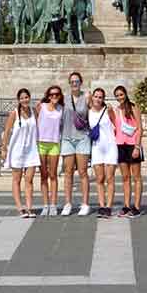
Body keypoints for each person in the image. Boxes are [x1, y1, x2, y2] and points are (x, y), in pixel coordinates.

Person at [0, 88, 39, 218]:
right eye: (22, 98)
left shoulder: (34, 111)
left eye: (26, 97)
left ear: (29, 98)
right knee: (17, 179)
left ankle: (29, 207)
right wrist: (4, 148)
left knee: (29, 179)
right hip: (17, 150)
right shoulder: (14, 114)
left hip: (31, 149)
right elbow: (6, 131)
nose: (24, 100)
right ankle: (20, 207)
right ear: (18, 100)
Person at [60, 71, 91, 216]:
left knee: (83, 172)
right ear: (69, 83)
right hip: (67, 138)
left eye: (77, 81)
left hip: (82, 138)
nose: (74, 84)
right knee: (68, 172)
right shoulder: (64, 98)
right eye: (72, 81)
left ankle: (85, 203)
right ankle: (68, 203)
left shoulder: (87, 97)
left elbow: (95, 111)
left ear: (81, 82)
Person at [113, 85, 144, 217]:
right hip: (120, 145)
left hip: (133, 145)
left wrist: (137, 146)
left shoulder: (133, 107)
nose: (120, 97)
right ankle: (126, 205)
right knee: (125, 177)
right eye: (117, 95)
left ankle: (136, 207)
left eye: (121, 94)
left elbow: (140, 128)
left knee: (136, 177)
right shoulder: (116, 110)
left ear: (125, 94)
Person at [88, 88, 117, 218]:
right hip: (97, 148)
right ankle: (102, 205)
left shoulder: (108, 110)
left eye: (100, 97)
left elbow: (116, 123)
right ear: (92, 98)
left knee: (110, 178)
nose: (98, 99)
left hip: (110, 146)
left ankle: (109, 207)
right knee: (99, 179)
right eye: (96, 96)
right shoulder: (88, 112)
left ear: (103, 99)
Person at [36, 85, 64, 216]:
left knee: (53, 175)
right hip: (41, 143)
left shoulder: (61, 109)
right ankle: (45, 204)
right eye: (52, 94)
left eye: (57, 94)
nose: (54, 96)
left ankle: (53, 204)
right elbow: (32, 121)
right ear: (48, 96)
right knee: (43, 175)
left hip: (54, 144)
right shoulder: (41, 106)